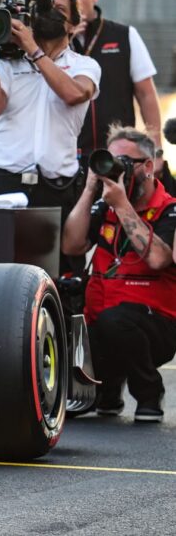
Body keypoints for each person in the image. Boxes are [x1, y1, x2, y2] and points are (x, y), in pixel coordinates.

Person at [0, 0, 100, 278]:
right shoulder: (3, 62)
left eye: (58, 10)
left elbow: (73, 94)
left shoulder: (85, 65)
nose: (49, 15)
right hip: (4, 183)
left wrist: (33, 50)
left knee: (57, 275)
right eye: (43, 8)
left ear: (73, 24)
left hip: (56, 189)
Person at [62, 126, 176, 422]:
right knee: (69, 315)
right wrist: (90, 189)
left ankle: (149, 391)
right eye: (110, 161)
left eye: (124, 162)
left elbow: (157, 259)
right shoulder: (104, 206)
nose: (115, 169)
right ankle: (106, 388)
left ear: (148, 167)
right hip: (100, 316)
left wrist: (123, 204)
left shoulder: (169, 209)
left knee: (116, 320)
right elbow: (72, 245)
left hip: (156, 325)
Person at [54, 0, 164, 166]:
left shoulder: (124, 35)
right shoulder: (49, 43)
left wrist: (156, 150)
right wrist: (64, 37)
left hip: (118, 156)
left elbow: (146, 94)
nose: (73, 2)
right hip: (65, 156)